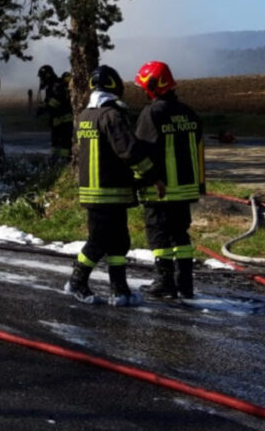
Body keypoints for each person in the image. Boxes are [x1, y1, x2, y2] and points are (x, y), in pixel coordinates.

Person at [66, 65, 155, 306]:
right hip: (109, 191)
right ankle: (77, 282)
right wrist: (152, 175)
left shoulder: (85, 116)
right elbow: (128, 151)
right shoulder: (112, 116)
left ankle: (120, 290)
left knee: (118, 241)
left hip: (98, 191)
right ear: (114, 86)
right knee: (99, 241)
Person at [133, 61, 205, 299]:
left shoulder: (152, 113)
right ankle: (185, 284)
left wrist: (143, 180)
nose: (144, 91)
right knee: (181, 236)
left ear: (154, 86)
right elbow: (197, 144)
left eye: (146, 86)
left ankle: (164, 282)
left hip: (161, 188)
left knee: (159, 236)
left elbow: (141, 150)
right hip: (185, 188)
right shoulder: (188, 112)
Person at [37, 65, 73, 160]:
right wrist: (42, 109)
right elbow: (48, 101)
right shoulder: (51, 86)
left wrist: (46, 108)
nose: (41, 80)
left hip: (65, 120)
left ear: (47, 75)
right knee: (55, 143)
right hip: (57, 121)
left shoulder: (57, 85)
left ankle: (65, 162)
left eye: (42, 77)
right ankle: (55, 160)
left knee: (65, 143)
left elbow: (55, 101)